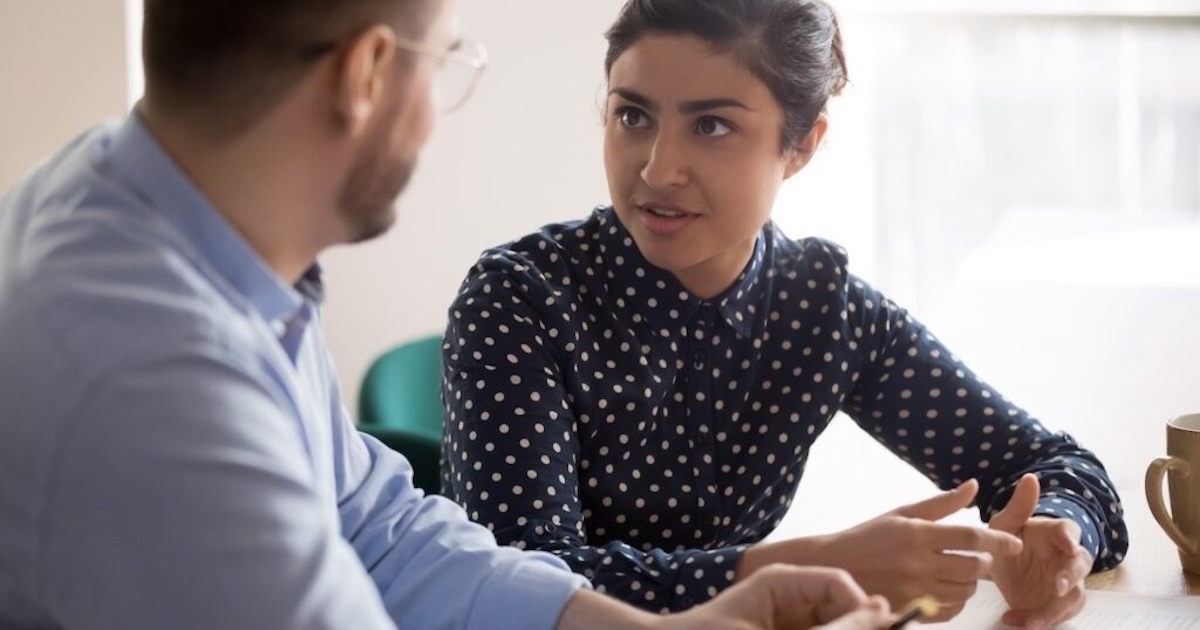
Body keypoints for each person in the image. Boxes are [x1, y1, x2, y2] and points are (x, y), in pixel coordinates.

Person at [0, 0, 898, 628]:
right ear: (367, 73)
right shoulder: (155, 387)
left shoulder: (169, 223)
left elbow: (378, 527)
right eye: (449, 59)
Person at [441, 0, 1129, 627]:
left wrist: (1058, 536)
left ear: (801, 145)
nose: (657, 169)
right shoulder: (519, 300)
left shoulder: (821, 311)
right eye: (633, 115)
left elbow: (1055, 464)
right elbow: (517, 586)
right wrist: (819, 566)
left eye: (711, 125)